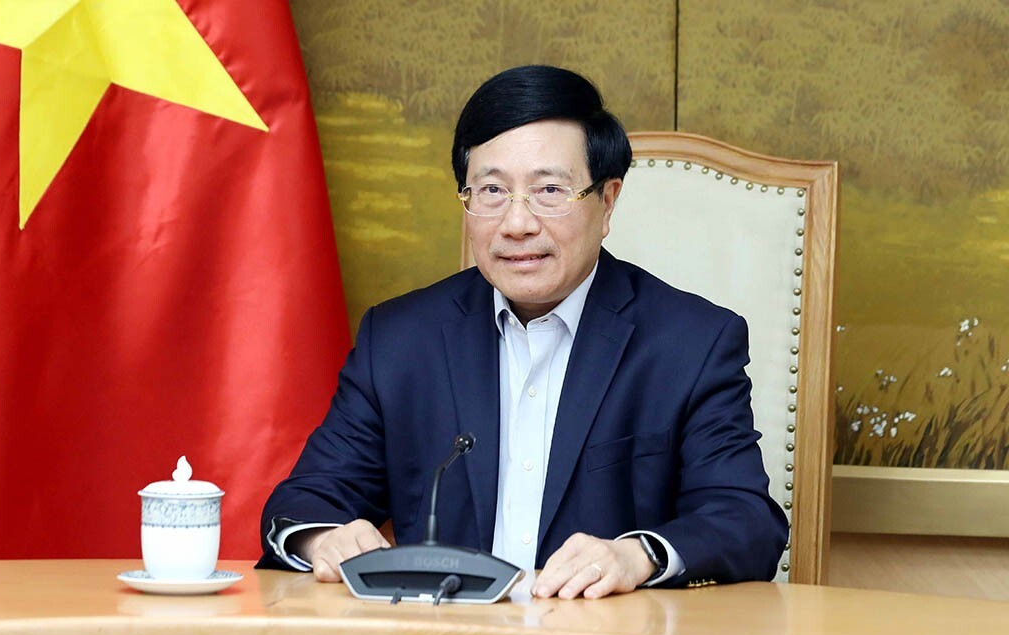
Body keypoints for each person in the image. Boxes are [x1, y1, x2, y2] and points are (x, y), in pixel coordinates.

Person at [257, 65, 788, 599]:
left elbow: (744, 520)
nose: (517, 224)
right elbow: (306, 501)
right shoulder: (400, 340)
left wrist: (636, 555)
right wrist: (322, 538)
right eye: (491, 191)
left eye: (549, 190)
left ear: (607, 202)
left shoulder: (691, 344)